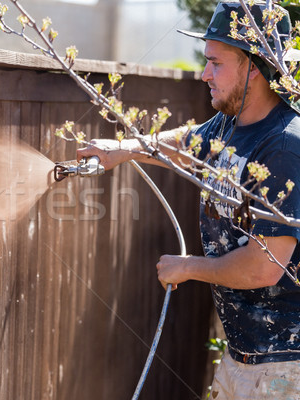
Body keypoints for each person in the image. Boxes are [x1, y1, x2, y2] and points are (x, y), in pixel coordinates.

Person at [77, 2, 300, 399]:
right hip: (244, 359)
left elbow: (263, 268)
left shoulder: (284, 146)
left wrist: (188, 267)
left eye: (215, 63)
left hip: (283, 366)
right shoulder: (232, 122)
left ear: (252, 66)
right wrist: (122, 149)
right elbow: (188, 144)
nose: (204, 74)